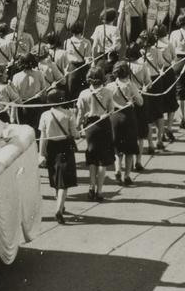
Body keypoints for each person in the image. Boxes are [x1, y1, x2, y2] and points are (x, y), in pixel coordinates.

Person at [38, 87, 79, 224]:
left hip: (51, 148)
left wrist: (41, 154)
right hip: (65, 147)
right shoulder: (68, 114)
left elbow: (43, 137)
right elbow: (75, 134)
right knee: (64, 183)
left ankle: (60, 204)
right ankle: (59, 209)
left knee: (56, 178)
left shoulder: (44, 115)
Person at [77, 65, 115, 202]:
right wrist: (105, 114)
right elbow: (111, 110)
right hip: (103, 125)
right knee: (102, 161)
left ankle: (91, 187)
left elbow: (80, 114)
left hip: (89, 127)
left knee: (92, 158)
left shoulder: (83, 94)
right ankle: (99, 191)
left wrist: (76, 128)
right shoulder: (108, 92)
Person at [108, 61, 143, 186]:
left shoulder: (110, 86)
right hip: (128, 116)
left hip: (115, 117)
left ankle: (117, 169)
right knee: (129, 149)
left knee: (117, 146)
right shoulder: (131, 85)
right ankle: (127, 175)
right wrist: (134, 97)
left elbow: (108, 103)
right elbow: (140, 102)